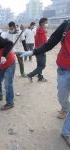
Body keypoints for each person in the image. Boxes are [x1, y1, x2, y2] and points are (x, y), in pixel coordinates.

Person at [20, 19, 70, 147]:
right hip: (64, 67)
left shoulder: (40, 30)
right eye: (45, 23)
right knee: (62, 96)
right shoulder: (66, 25)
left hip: (41, 52)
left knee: (41, 66)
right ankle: (65, 108)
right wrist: (33, 51)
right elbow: (50, 43)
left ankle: (67, 132)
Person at [27, 18, 48, 82]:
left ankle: (40, 77)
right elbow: (44, 43)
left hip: (37, 50)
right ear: (42, 23)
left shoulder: (39, 30)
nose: (47, 24)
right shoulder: (41, 32)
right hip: (41, 51)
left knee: (39, 65)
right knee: (42, 65)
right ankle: (30, 75)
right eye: (46, 22)